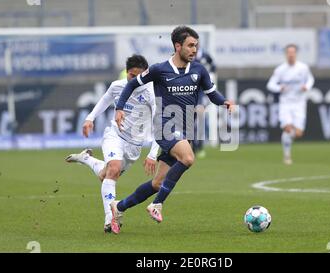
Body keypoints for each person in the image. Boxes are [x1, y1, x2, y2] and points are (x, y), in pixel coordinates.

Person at [111, 25, 235, 230]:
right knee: (188, 158)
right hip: (165, 126)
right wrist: (120, 107)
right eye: (190, 45)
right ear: (178, 46)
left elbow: (212, 94)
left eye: (196, 45)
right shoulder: (160, 69)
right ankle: (157, 205)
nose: (194, 50)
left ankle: (119, 206)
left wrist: (225, 103)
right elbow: (132, 84)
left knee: (158, 183)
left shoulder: (199, 70)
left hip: (186, 130)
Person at [65, 54, 159, 234]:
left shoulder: (151, 94)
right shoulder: (118, 86)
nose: (136, 79)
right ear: (127, 73)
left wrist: (152, 154)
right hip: (115, 135)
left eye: (139, 76)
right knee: (114, 169)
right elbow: (104, 101)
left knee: (105, 175)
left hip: (135, 145)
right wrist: (90, 118)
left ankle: (86, 158)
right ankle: (110, 218)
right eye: (132, 75)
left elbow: (158, 126)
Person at [266, 44, 315, 165]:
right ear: (286, 54)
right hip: (286, 103)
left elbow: (311, 79)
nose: (291, 55)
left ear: (296, 54)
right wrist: (279, 88)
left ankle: (288, 138)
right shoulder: (280, 70)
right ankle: (287, 155)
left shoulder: (303, 68)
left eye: (293, 52)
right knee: (287, 128)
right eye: (289, 52)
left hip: (299, 103)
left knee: (298, 133)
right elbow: (270, 85)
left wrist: (306, 86)